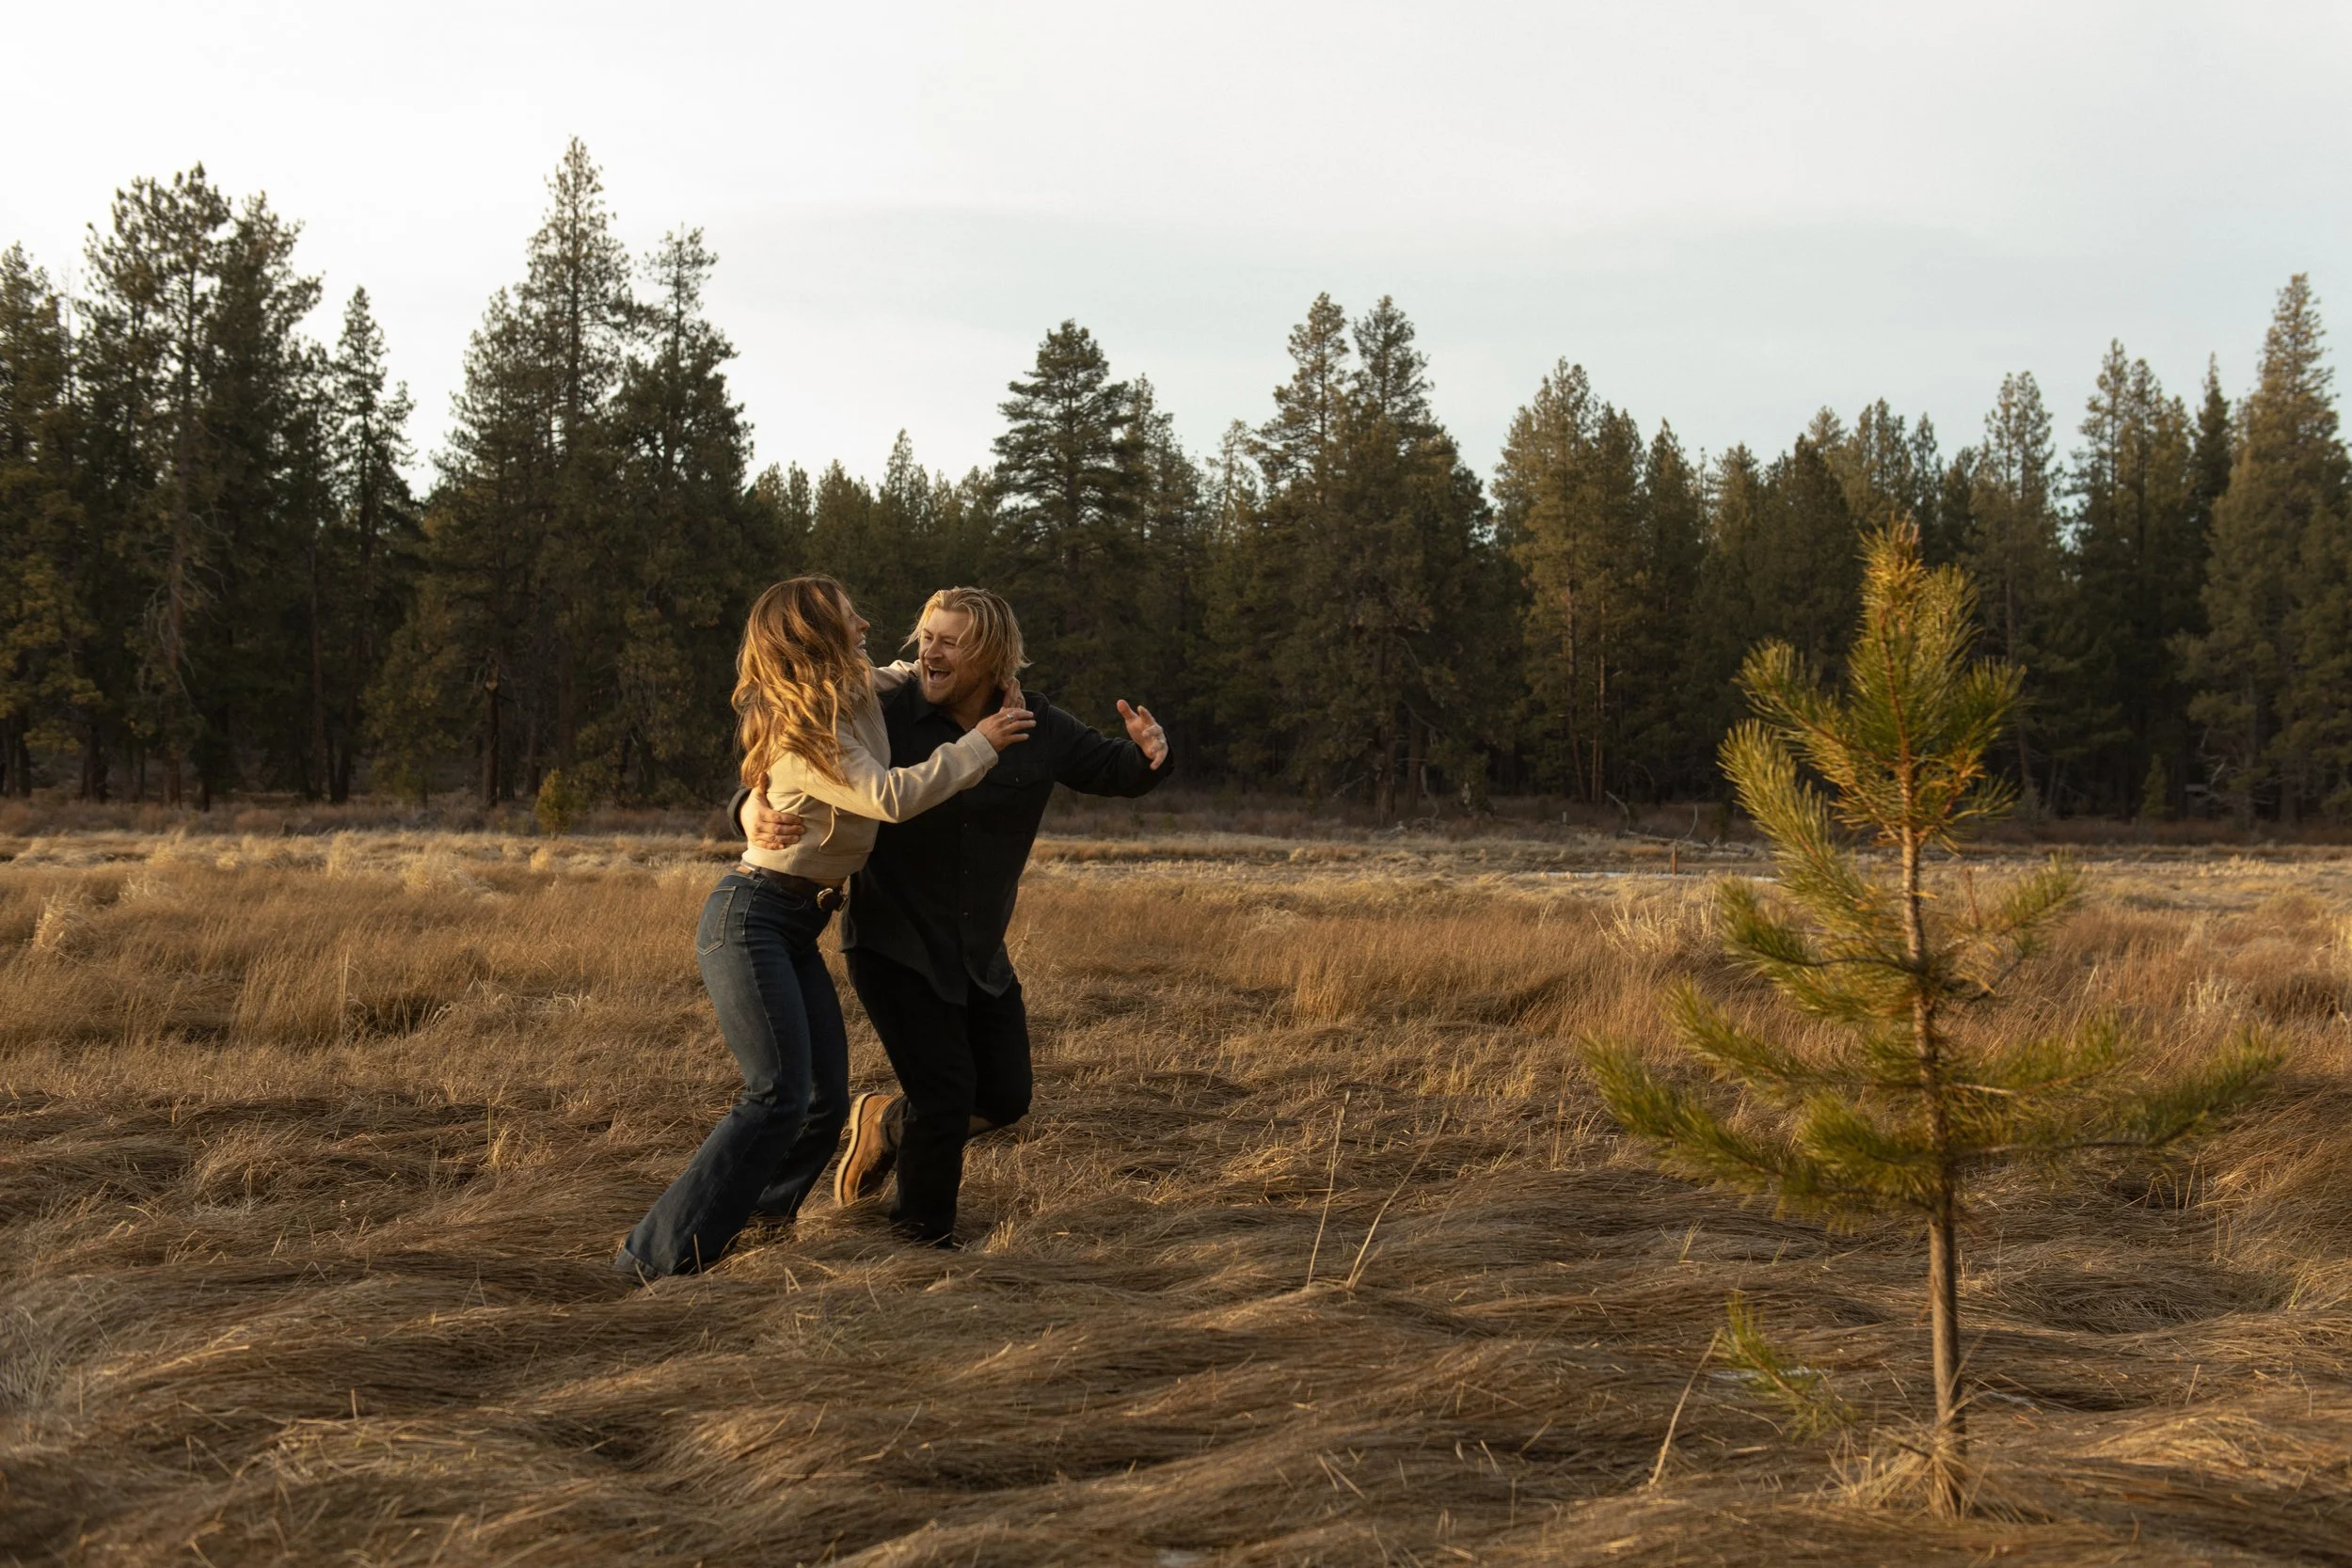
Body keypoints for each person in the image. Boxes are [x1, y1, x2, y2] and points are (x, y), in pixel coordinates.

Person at [616, 576, 1035, 1280]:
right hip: (751, 917)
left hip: (796, 923)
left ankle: (759, 1222)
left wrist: (981, 669)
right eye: (850, 617)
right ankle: (654, 1258)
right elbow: (891, 795)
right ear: (817, 635)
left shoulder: (851, 693)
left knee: (820, 1103)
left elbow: (916, 668)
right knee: (775, 1094)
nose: (867, 622)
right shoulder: (808, 733)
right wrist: (982, 745)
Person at [740, 585, 1169, 1246]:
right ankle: (921, 1244)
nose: (928, 651)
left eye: (949, 641)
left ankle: (884, 1123)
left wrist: (1150, 754)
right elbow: (787, 748)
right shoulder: (882, 707)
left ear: (993, 658)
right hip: (893, 941)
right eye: (927, 636)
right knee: (944, 1097)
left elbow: (1112, 767)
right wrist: (748, 806)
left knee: (1005, 1096)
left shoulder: (1037, 724)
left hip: (977, 949)